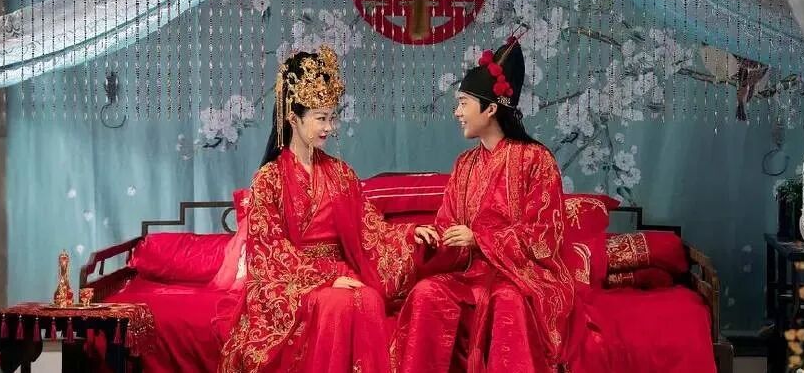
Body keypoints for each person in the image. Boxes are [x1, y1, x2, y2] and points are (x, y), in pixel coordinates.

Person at [217, 46, 438, 373]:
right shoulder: (269, 179)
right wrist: (325, 279)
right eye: (321, 118)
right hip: (295, 282)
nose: (329, 127)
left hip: (342, 273)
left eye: (332, 117)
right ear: (293, 118)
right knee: (336, 304)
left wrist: (409, 236)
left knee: (368, 299)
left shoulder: (342, 174)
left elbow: (371, 229)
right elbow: (269, 250)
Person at [392, 36, 589, 372]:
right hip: (470, 276)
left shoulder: (536, 160)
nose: (457, 113)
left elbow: (544, 237)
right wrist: (432, 238)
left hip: (521, 277)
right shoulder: (464, 165)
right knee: (427, 293)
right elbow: (448, 225)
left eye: (463, 103)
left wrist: (479, 238)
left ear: (491, 108)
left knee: (506, 300)